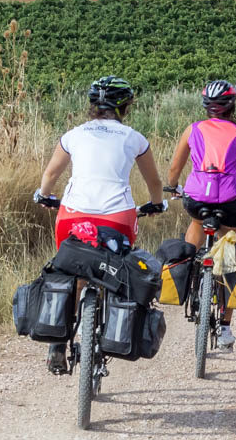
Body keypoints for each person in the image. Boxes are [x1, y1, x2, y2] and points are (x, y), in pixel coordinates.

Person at [32, 76, 168, 374]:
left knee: (69, 269)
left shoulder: (74, 135)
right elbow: (154, 182)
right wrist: (156, 203)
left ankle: (57, 345)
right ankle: (109, 331)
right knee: (115, 269)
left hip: (72, 215)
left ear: (93, 105)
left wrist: (44, 196)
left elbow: (51, 174)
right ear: (126, 107)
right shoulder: (134, 138)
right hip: (117, 217)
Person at [163, 80, 236, 351]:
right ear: (232, 106)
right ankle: (224, 328)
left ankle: (187, 277)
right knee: (229, 256)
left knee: (194, 233)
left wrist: (174, 188)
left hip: (197, 197)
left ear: (205, 106)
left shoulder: (193, 129)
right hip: (232, 200)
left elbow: (175, 168)